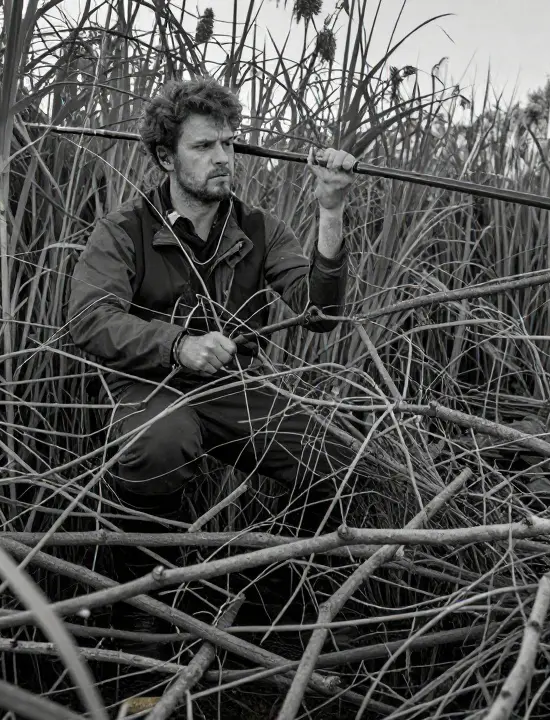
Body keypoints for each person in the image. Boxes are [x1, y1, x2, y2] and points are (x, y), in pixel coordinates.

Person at [65, 76, 364, 654]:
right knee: (160, 443)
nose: (223, 158)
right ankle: (144, 621)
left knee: (329, 460)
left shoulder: (259, 228)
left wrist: (332, 209)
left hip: (232, 389)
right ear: (164, 156)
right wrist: (178, 345)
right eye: (204, 147)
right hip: (151, 387)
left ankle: (275, 607)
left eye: (228, 143)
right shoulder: (123, 229)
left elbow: (319, 314)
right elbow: (90, 319)